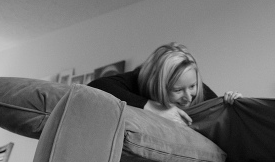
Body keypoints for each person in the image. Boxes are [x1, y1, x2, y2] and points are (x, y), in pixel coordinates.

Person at [88, 42, 241, 125]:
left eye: (192, 86)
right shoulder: (139, 78)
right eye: (178, 90)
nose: (188, 97)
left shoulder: (196, 88)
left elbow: (223, 112)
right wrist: (153, 108)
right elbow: (95, 86)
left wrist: (233, 101)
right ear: (157, 85)